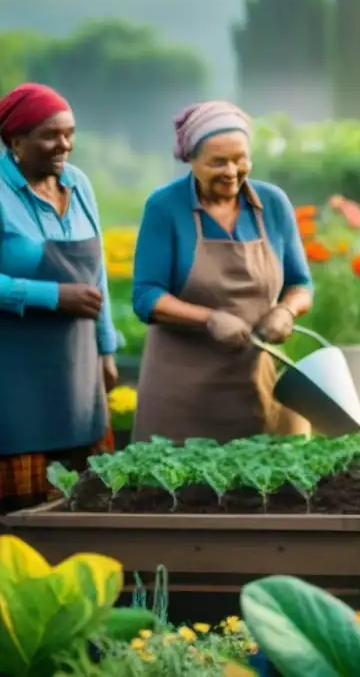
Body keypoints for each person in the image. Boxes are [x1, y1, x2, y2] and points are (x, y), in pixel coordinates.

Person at [131, 100, 314, 444]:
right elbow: (146, 297)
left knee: (266, 485)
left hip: (254, 380)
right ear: (192, 161)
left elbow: (300, 283)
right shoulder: (165, 207)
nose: (232, 171)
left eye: (240, 159)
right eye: (218, 162)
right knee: (180, 488)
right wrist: (210, 319)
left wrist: (286, 310)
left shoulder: (272, 204)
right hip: (182, 390)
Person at [0, 83, 120, 514]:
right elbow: (69, 289)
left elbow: (98, 271)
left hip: (76, 368)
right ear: (16, 140)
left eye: (69, 133)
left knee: (82, 501)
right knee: (20, 514)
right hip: (13, 374)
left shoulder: (79, 183)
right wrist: (51, 295)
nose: (64, 145)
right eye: (50, 135)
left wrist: (106, 347)